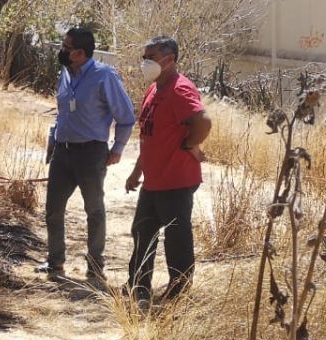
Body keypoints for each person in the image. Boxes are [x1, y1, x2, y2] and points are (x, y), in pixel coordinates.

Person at [37, 27, 136, 282]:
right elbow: (62, 112)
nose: (62, 50)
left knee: (94, 210)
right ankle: (55, 263)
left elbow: (125, 117)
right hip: (63, 152)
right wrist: (53, 142)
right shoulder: (65, 73)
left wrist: (117, 149)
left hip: (91, 153)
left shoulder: (105, 76)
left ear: (80, 53)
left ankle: (95, 267)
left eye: (66, 47)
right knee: (53, 210)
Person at [124, 36, 212, 303]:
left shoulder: (179, 88)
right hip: (153, 180)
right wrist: (137, 172)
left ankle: (179, 294)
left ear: (169, 60)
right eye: (145, 57)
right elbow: (150, 137)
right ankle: (138, 288)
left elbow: (203, 121)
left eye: (150, 57)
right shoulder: (154, 89)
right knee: (142, 233)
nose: (146, 62)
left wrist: (189, 144)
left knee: (176, 239)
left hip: (176, 180)